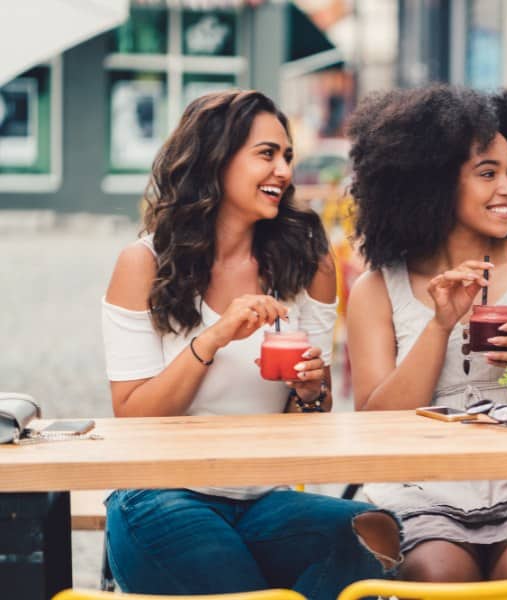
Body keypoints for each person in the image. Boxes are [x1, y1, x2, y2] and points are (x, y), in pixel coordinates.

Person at [101, 90, 401, 598]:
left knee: (377, 533)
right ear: (216, 159)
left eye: (287, 156)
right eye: (266, 154)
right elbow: (132, 418)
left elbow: (311, 420)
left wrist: (309, 393)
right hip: (160, 494)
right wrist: (213, 338)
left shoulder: (308, 262)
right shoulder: (145, 263)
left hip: (263, 497)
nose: (283, 170)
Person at [345, 85, 507, 598]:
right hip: (421, 482)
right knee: (440, 576)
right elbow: (376, 425)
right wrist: (439, 325)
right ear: (432, 183)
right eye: (488, 173)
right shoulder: (378, 289)